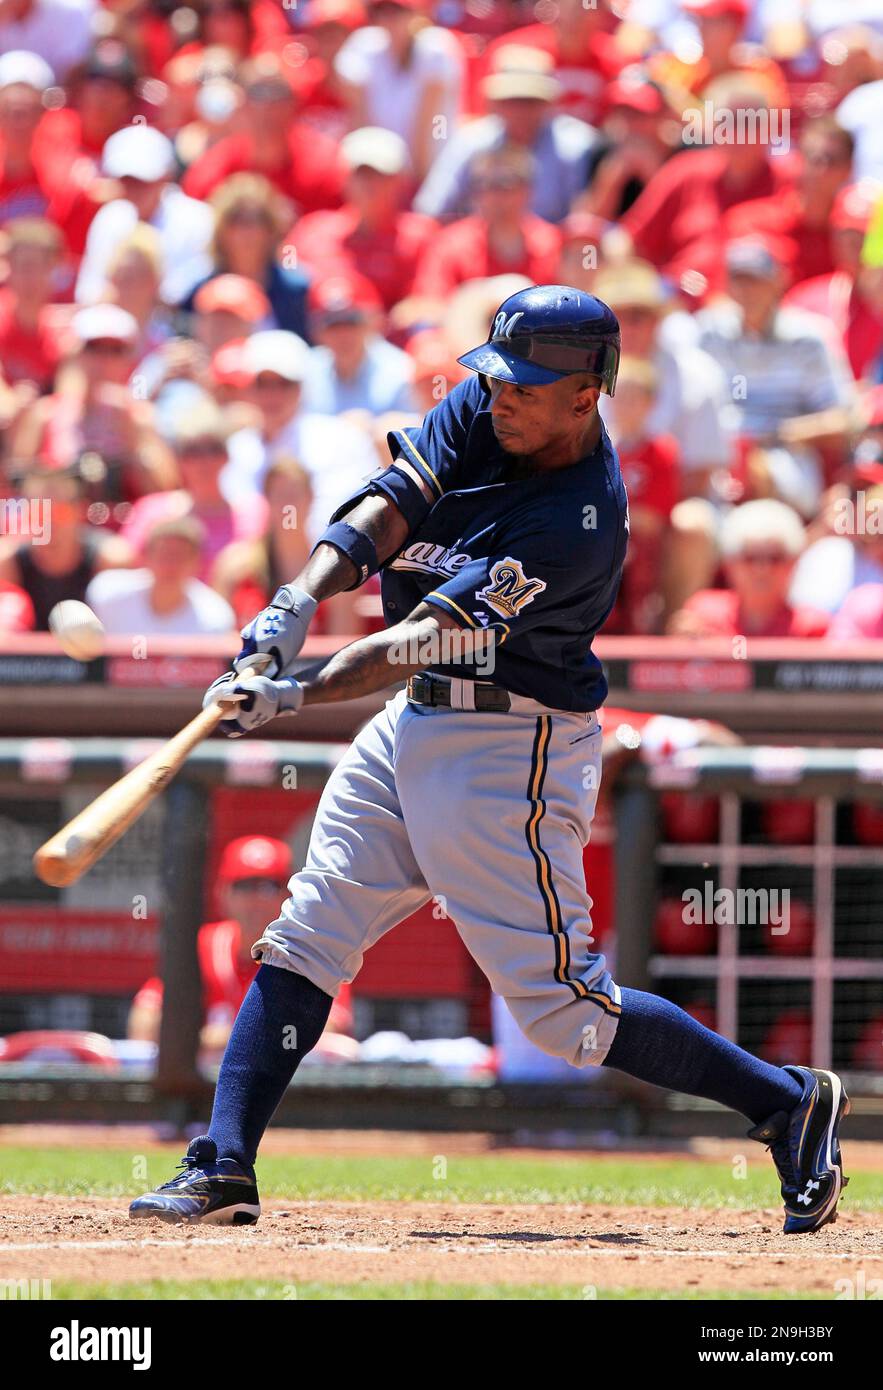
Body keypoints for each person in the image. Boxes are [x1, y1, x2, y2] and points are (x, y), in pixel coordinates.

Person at [129, 283, 849, 1236]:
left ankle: (785, 1103)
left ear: (585, 394)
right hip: (409, 721)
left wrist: (294, 693)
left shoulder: (577, 521)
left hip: (511, 742)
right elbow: (391, 505)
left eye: (525, 387)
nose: (499, 397)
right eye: (497, 379)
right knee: (309, 931)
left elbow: (421, 639)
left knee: (565, 1013)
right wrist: (294, 602)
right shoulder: (491, 407)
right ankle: (222, 1165)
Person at [127, 835, 354, 1059]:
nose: (256, 899)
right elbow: (144, 1025)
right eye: (244, 886)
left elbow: (327, 1032)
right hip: (206, 1087)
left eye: (269, 886)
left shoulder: (311, 950)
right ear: (222, 894)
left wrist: (207, 1038)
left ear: (290, 894)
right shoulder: (204, 945)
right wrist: (262, 1033)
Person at [414, 46, 602, 226]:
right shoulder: (470, 142)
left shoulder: (576, 148)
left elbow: (583, 223)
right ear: (495, 104)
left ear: (548, 104)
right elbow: (430, 211)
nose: (520, 111)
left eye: (530, 101)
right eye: (512, 101)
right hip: (479, 252)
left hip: (548, 255)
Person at [288, 125, 436, 313]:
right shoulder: (312, 232)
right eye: (361, 174)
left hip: (393, 338)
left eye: (380, 175)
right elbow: (286, 293)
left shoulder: (420, 236)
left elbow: (426, 302)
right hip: (321, 336)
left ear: (401, 182)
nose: (369, 185)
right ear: (344, 178)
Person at [75, 125, 214, 307]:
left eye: (143, 181)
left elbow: (189, 288)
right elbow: (90, 290)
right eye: (126, 180)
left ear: (166, 177)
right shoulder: (110, 217)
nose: (134, 189)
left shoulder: (198, 219)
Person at [412, 146, 562, 303]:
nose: (493, 196)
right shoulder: (451, 244)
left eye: (504, 184)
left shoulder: (551, 244)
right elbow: (428, 305)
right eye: (483, 185)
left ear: (527, 190)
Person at [333, 0, 463, 181]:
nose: (388, 18)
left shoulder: (436, 48)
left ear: (416, 13)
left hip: (433, 174)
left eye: (396, 10)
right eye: (380, 11)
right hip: (381, 172)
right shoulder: (362, 47)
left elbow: (428, 128)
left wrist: (419, 185)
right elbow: (360, 122)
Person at [668, 499, 830, 638]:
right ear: (730, 564)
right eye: (750, 558)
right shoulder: (703, 616)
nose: (762, 569)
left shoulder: (812, 628)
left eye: (774, 559)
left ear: (793, 564)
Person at [0, 464, 131, 628]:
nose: (49, 523)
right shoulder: (7, 561)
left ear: (79, 511)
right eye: (39, 512)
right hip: (27, 653)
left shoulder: (110, 559)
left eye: (59, 512)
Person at [184, 173, 311, 338]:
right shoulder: (198, 293)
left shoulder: (295, 291)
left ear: (271, 230)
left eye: (257, 220)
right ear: (221, 230)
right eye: (236, 220)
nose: (246, 231)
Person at [86, 514, 236, 636]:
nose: (171, 565)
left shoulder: (215, 619)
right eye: (164, 555)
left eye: (180, 556)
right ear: (146, 557)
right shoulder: (108, 595)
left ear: (197, 563)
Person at [301, 272, 416, 417]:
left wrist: (375, 431)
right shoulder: (305, 372)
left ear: (374, 323)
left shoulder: (402, 371)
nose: (343, 334)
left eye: (352, 322)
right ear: (316, 331)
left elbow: (421, 433)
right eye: (332, 324)